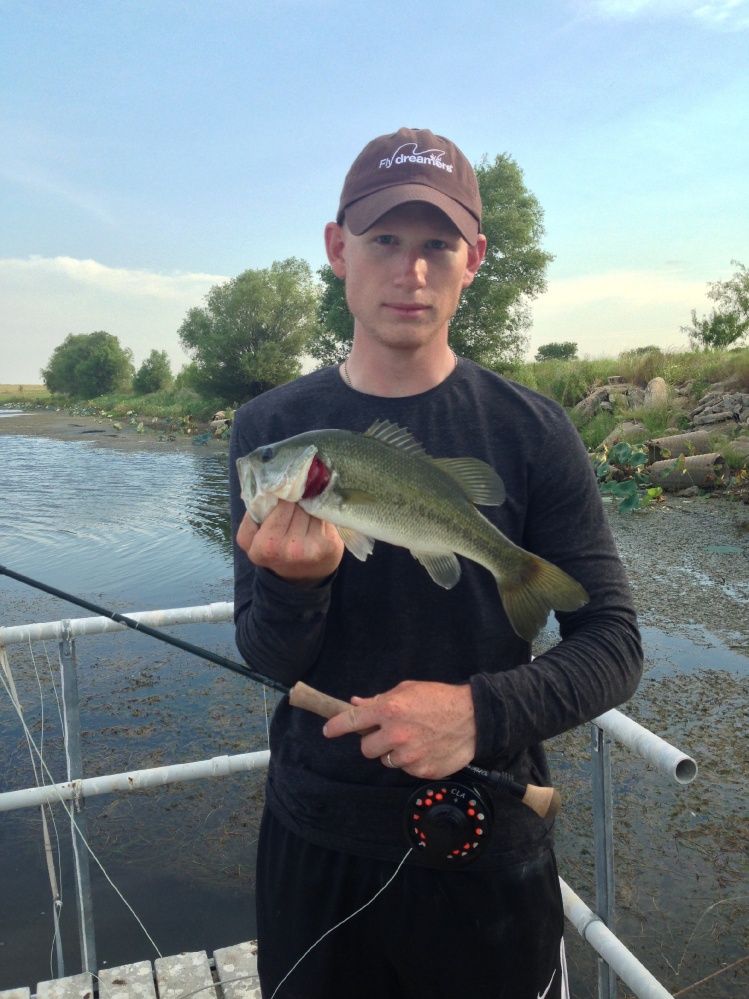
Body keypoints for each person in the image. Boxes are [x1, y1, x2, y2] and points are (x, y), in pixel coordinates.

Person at [229, 126, 642, 999]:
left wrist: (478, 712)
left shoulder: (534, 431)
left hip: (489, 839)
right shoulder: (272, 431)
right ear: (339, 250)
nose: (409, 271)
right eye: (384, 240)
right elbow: (269, 657)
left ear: (474, 257)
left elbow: (613, 641)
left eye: (435, 244)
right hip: (316, 839)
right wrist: (292, 589)